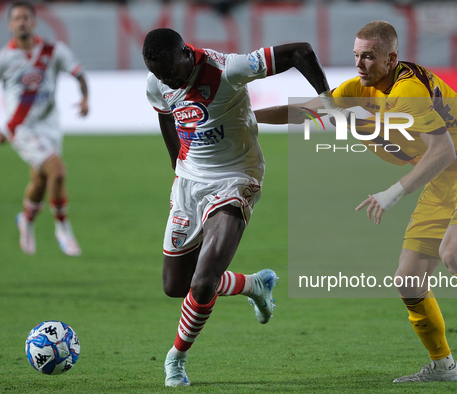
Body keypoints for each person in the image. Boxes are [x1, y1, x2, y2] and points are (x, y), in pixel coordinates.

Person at [254, 20, 457, 382]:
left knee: (454, 253)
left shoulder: (408, 90)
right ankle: (444, 367)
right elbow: (308, 110)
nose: (359, 64)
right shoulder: (361, 89)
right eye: (356, 56)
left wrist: (393, 192)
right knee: (408, 280)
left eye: (368, 57)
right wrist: (245, 121)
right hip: (440, 182)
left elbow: (444, 149)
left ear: (391, 58)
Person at [142, 28, 336, 387]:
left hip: (236, 178)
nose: (168, 80)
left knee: (202, 283)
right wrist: (177, 164)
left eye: (171, 71)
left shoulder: (229, 69)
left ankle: (176, 359)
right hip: (189, 183)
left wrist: (327, 99)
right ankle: (254, 285)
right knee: (176, 286)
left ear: (186, 52)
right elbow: (165, 115)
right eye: (161, 75)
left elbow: (301, 52)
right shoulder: (158, 81)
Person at [0, 1, 88, 256]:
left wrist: (85, 98)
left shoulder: (52, 50)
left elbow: (79, 73)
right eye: (17, 18)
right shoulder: (4, 58)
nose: (22, 22)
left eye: (26, 17)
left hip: (50, 125)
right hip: (22, 128)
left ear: (34, 22)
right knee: (57, 171)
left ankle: (26, 220)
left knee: (40, 179)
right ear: (10, 24)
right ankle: (63, 228)